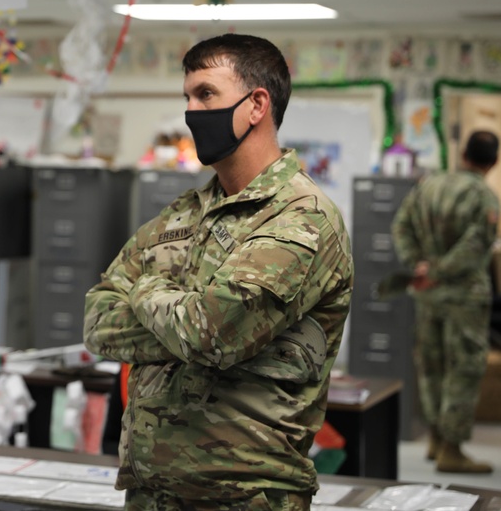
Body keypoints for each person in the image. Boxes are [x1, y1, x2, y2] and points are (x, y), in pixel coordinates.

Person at [84, 33, 353, 511]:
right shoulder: (182, 213)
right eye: (186, 96)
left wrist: (147, 290)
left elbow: (212, 336)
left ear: (257, 105)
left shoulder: (301, 219)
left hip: (247, 496)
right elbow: (98, 323)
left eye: (206, 94)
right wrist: (186, 320)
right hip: (150, 492)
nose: (191, 112)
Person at [391, 130, 499, 474]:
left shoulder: (429, 185)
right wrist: (439, 270)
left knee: (432, 366)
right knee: (463, 370)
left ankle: (436, 439)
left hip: (428, 295)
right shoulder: (484, 197)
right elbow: (476, 246)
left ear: (463, 154)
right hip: (463, 297)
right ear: (493, 162)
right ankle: (452, 449)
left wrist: (419, 264)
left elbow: (401, 225)